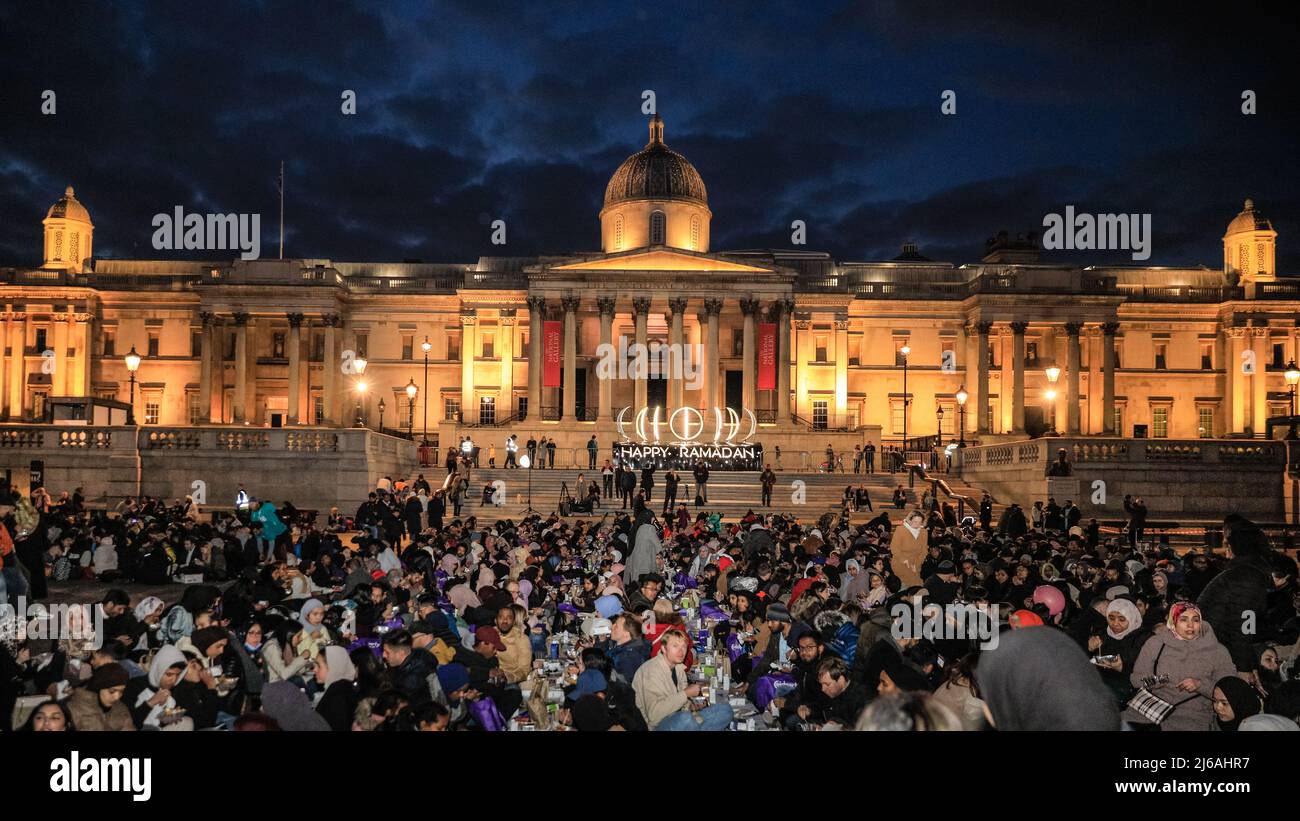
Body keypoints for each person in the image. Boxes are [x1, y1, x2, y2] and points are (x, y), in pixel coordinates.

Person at [1124, 602, 1237, 731]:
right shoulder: (1155, 643)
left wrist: (1200, 685)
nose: (1190, 625)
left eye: (1195, 620)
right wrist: (1157, 680)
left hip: (1194, 713)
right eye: (1183, 619)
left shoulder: (1217, 651)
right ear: (1173, 621)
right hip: (1152, 708)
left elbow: (1230, 690)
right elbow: (1136, 679)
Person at [1198, 514, 1274, 678]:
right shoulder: (1248, 576)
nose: (1226, 552)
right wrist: (1244, 668)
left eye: (1228, 545)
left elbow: (1246, 624)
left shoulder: (1243, 574)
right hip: (1214, 651)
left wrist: (1250, 663)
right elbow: (1243, 625)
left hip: (1216, 647)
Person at [632, 628, 733, 731]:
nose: (681, 651)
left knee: (725, 710)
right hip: (657, 725)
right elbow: (654, 716)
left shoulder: (678, 668)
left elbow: (679, 703)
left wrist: (691, 706)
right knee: (686, 719)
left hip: (679, 719)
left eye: (684, 647)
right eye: (675, 646)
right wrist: (685, 693)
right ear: (663, 648)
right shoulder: (651, 671)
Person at [68, 662, 136, 731]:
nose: (117, 697)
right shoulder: (75, 707)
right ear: (98, 688)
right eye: (112, 691)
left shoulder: (121, 709)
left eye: (121, 691)